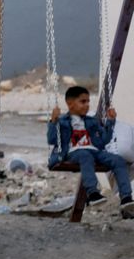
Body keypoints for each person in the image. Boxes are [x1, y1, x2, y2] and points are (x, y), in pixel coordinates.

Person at [48, 86, 134, 217]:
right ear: (70, 104)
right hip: (73, 152)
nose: (87, 105)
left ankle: (126, 197)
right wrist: (53, 121)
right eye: (83, 102)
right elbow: (52, 139)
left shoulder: (91, 121)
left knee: (117, 160)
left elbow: (103, 141)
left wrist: (110, 122)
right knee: (85, 156)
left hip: (94, 150)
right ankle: (92, 193)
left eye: (88, 101)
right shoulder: (63, 121)